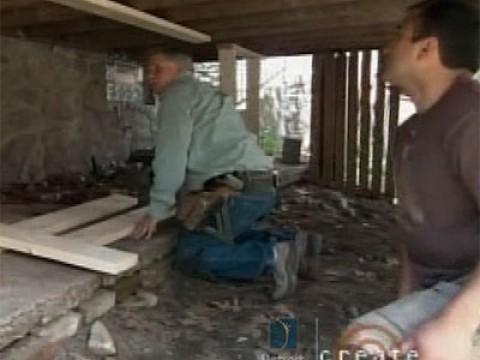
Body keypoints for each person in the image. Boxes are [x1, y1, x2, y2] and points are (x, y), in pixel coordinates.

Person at [343, 1, 480, 359]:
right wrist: (407, 299)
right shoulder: (410, 132)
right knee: (366, 344)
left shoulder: (472, 120)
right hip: (439, 286)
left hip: (470, 289)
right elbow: (414, 225)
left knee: (362, 346)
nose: (387, 48)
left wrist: (458, 325)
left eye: (398, 35)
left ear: (426, 49)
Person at [131, 48, 308, 300]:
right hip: (260, 186)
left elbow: (171, 155)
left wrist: (158, 207)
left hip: (232, 189)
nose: (150, 76)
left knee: (192, 253)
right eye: (148, 70)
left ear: (180, 71)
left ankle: (274, 256)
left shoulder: (177, 95)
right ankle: (296, 243)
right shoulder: (203, 92)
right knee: (228, 233)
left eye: (158, 69)